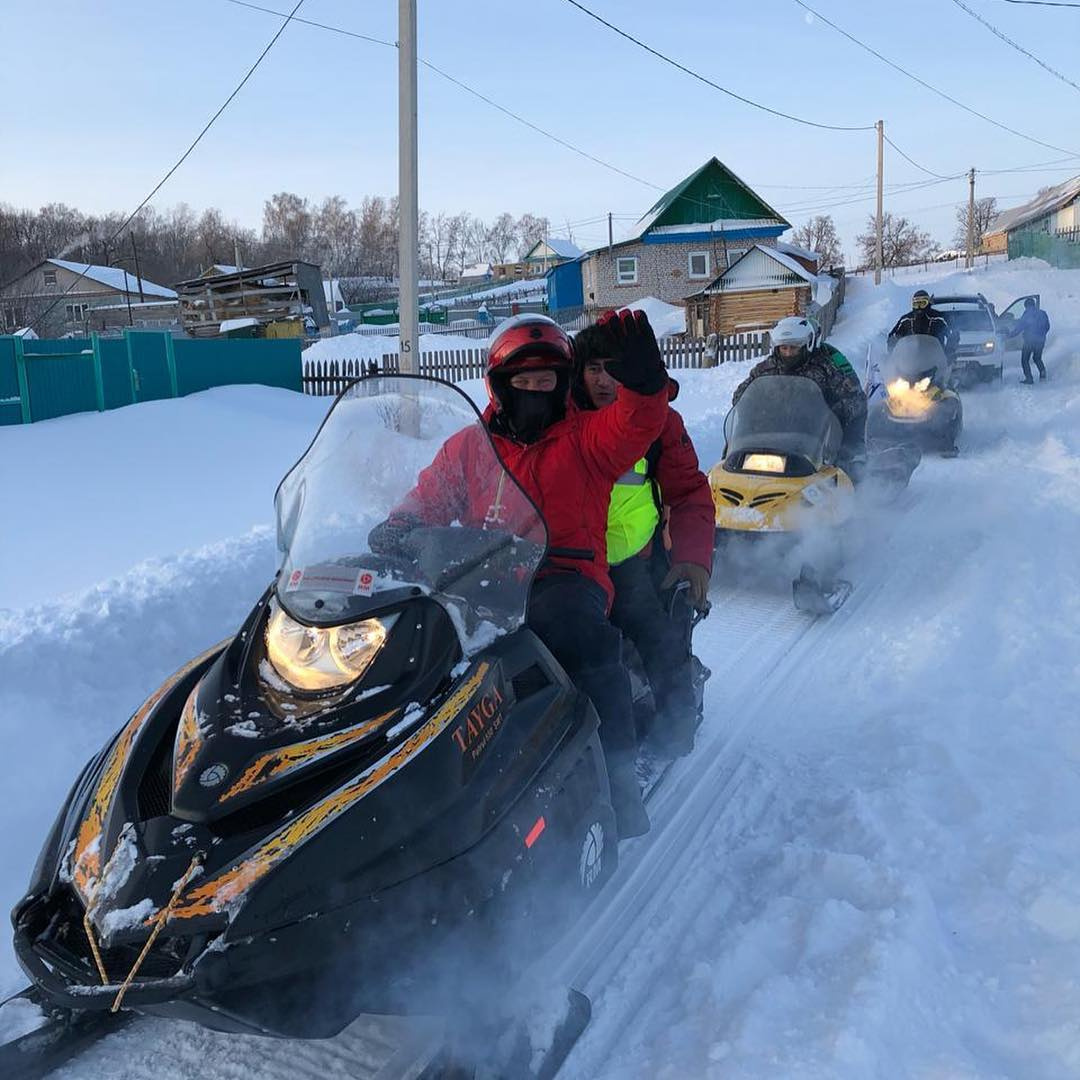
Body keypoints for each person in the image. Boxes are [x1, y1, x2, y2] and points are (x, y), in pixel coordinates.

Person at [371, 312, 670, 839]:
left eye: (546, 381)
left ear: (563, 383)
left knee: (583, 640)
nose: (535, 391)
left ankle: (619, 784)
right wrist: (402, 529)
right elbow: (431, 496)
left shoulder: (586, 438)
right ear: (498, 385)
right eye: (523, 382)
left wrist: (645, 388)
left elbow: (636, 425)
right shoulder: (471, 446)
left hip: (564, 575)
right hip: (478, 576)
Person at [572, 322, 714, 757]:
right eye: (594, 367)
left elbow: (689, 492)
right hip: (571, 567)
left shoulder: (662, 425)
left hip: (634, 564)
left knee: (659, 638)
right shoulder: (562, 422)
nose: (605, 380)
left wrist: (691, 558)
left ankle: (676, 727)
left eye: (615, 369)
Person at [732, 316, 867, 469]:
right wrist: (751, 402)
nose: (788, 353)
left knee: (850, 469)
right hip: (771, 437)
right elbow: (740, 396)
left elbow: (856, 399)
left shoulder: (824, 368)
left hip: (814, 440)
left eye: (794, 347)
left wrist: (835, 411)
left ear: (806, 345)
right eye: (784, 348)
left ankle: (852, 472)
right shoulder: (766, 369)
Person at [887, 289, 953, 353]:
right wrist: (892, 353)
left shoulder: (939, 318)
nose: (919, 307)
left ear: (928, 303)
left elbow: (953, 333)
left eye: (922, 303)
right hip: (910, 359)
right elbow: (893, 336)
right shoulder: (906, 320)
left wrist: (948, 352)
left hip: (936, 359)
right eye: (916, 304)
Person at [1016, 297, 1050, 384]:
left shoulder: (1027, 314)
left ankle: (1029, 379)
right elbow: (1047, 326)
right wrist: (1042, 335)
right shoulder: (1043, 313)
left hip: (1029, 341)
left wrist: (1009, 335)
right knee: (1037, 358)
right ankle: (1043, 374)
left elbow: (1019, 328)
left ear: (1026, 306)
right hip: (1041, 340)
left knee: (1025, 359)